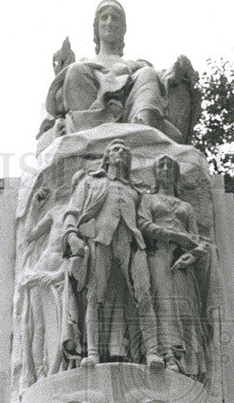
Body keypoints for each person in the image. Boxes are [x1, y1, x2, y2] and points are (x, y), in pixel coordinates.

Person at [62, 138, 164, 370]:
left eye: (125, 151)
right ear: (107, 157)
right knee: (94, 296)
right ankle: (93, 353)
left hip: (131, 242)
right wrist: (72, 236)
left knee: (144, 294)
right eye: (116, 149)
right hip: (99, 240)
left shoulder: (135, 191)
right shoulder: (91, 182)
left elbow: (145, 221)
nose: (121, 153)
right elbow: (72, 212)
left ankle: (153, 353)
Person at [45, 0, 185, 141]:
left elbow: (162, 81)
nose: (109, 22)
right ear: (96, 28)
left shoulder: (137, 65)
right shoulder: (84, 65)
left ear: (123, 29)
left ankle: (142, 129)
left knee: (147, 72)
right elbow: (60, 102)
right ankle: (91, 134)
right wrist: (61, 71)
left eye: (115, 18)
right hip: (90, 123)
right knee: (75, 69)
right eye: (104, 18)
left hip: (130, 115)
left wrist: (175, 73)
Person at [138, 156, 213, 380]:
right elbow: (144, 224)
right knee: (162, 303)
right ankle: (165, 353)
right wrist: (175, 236)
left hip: (181, 261)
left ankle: (182, 358)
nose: (165, 170)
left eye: (170, 166)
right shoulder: (148, 199)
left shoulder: (185, 206)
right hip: (158, 255)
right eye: (160, 165)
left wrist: (192, 255)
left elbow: (197, 239)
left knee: (183, 308)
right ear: (155, 172)